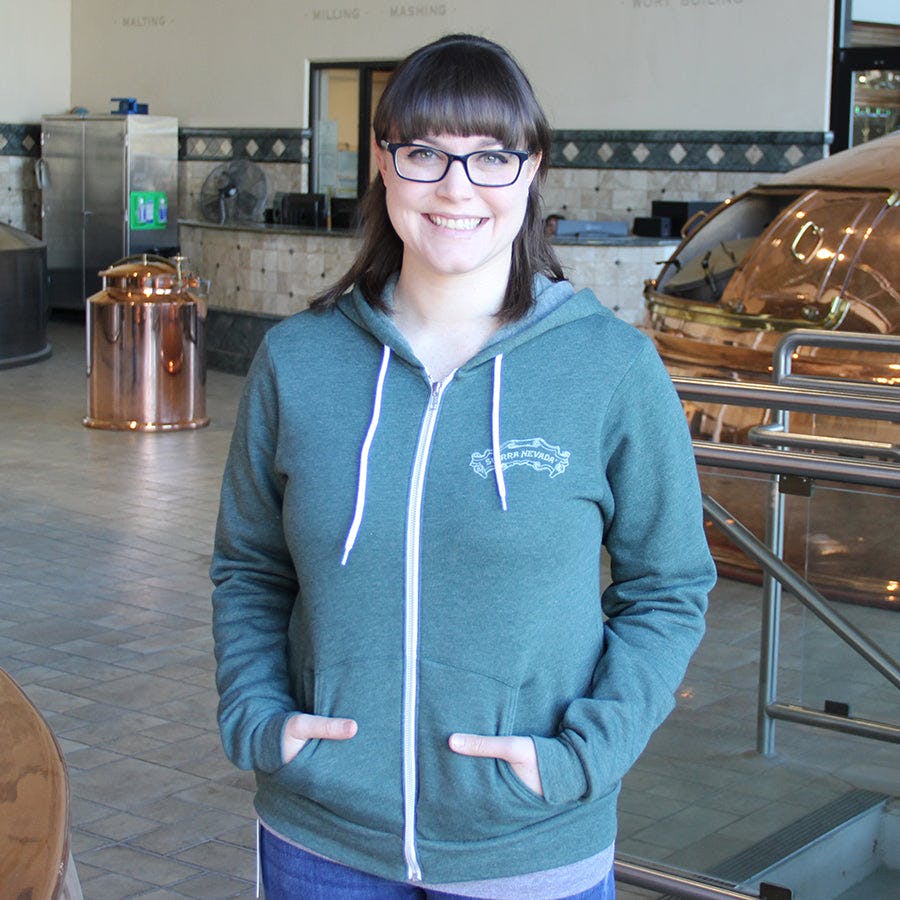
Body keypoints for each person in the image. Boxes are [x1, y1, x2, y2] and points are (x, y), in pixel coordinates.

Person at [211, 33, 716, 900]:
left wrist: (584, 755)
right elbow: (250, 568)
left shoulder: (610, 370)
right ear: (382, 163)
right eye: (424, 154)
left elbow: (668, 587)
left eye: (490, 156)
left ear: (532, 169)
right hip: (321, 839)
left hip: (526, 844)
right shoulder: (299, 362)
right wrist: (258, 719)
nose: (456, 188)